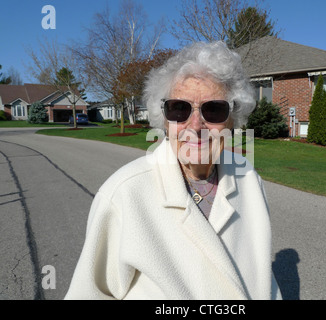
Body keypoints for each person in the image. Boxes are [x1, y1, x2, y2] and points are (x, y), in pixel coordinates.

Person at [64, 41, 281, 300]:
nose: (196, 125)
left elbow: (263, 280)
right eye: (179, 108)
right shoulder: (124, 193)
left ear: (233, 119)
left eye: (214, 109)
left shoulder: (249, 180)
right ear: (164, 119)